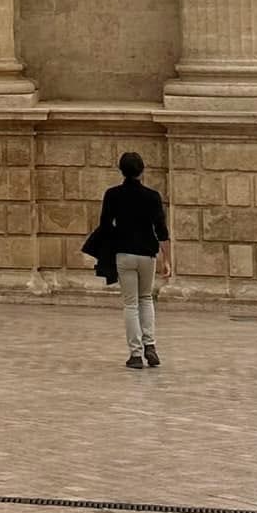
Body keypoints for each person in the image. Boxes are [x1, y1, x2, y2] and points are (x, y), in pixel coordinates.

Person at [94, 152, 171, 369]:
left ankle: (136, 354)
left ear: (121, 170)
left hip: (124, 254)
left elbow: (105, 225)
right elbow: (162, 231)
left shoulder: (112, 195)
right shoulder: (153, 196)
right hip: (147, 254)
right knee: (146, 298)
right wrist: (167, 259)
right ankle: (151, 345)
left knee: (130, 304)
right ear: (142, 170)